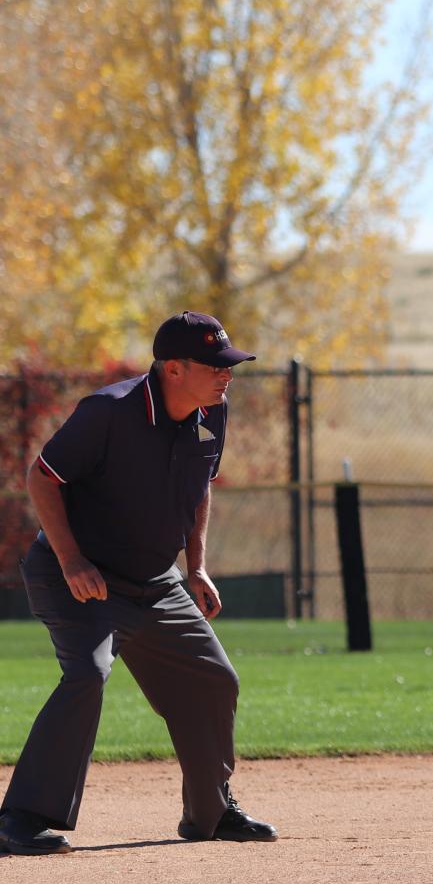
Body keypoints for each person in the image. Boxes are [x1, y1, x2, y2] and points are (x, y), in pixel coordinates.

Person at [0, 311, 277, 855]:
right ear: (173, 369)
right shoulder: (109, 412)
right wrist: (73, 558)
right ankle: (20, 818)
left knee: (215, 678)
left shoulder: (210, 410)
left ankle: (210, 813)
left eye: (229, 364)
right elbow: (42, 477)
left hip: (156, 582)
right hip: (80, 577)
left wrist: (195, 566)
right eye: (214, 365)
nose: (227, 374)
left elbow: (199, 486)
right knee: (88, 673)